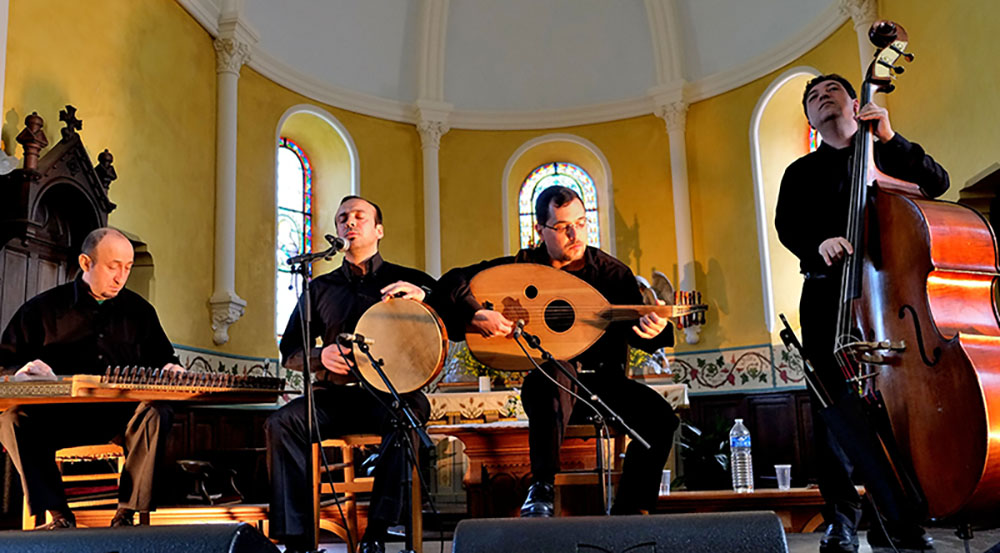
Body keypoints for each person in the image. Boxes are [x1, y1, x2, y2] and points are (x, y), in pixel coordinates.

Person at [775, 74, 948, 553]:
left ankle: (901, 515)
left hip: (890, 302)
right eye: (811, 97)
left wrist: (891, 137)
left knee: (896, 408)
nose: (820, 98)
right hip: (828, 296)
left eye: (831, 90)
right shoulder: (799, 173)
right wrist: (818, 244)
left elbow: (937, 183)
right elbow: (788, 229)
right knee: (833, 411)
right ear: (810, 119)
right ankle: (842, 520)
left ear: (856, 102)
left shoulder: (887, 151)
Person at [435, 185, 679, 517]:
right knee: (552, 373)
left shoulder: (612, 273)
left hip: (604, 387)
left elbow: (639, 336)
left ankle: (631, 514)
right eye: (563, 226)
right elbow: (449, 282)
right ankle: (541, 489)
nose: (575, 233)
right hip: (548, 390)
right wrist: (475, 313)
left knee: (662, 420)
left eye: (581, 223)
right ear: (540, 230)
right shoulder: (522, 267)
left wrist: (657, 329)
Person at [267, 196, 436, 553]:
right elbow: (290, 352)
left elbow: (448, 310)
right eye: (343, 217)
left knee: (409, 415)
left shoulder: (408, 280)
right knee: (281, 423)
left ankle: (377, 531)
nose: (350, 222)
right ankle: (298, 540)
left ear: (379, 230)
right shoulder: (319, 288)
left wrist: (425, 296)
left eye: (360, 216)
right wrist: (321, 355)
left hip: (391, 395)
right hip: (335, 397)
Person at [0, 227, 183, 529]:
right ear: (86, 263)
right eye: (113, 267)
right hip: (60, 418)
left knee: (156, 411)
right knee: (12, 419)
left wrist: (170, 368)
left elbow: (164, 359)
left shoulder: (140, 312)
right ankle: (59, 515)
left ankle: (126, 514)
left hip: (120, 418)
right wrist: (25, 373)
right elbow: (5, 363)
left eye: (127, 268)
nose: (121, 277)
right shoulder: (42, 310)